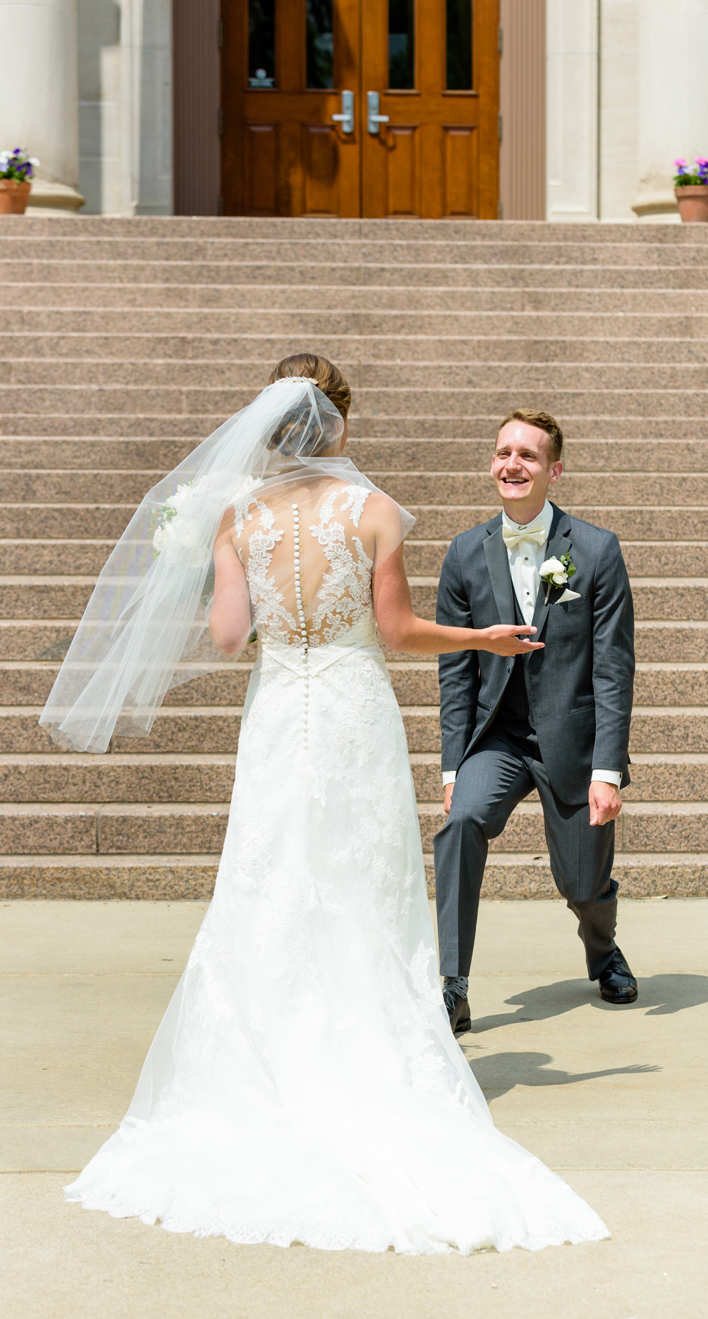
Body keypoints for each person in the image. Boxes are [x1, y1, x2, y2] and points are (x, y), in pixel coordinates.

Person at [43, 355, 609, 1254]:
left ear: (272, 427)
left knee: (270, 880)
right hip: (352, 709)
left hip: (278, 711)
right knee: (361, 884)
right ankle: (363, 1056)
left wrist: (215, 578)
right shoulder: (373, 510)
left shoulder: (236, 516)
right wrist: (483, 637)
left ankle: (265, 1063)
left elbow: (232, 640)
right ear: (341, 423)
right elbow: (395, 632)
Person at [430, 410, 638, 1036]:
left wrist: (608, 772)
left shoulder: (596, 550)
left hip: (570, 741)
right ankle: (454, 985)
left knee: (582, 881)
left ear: (554, 469)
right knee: (462, 822)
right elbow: (455, 672)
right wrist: (450, 766)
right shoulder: (465, 552)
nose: (511, 465)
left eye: (526, 455)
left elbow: (613, 669)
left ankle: (603, 953)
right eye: (502, 453)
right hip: (496, 738)